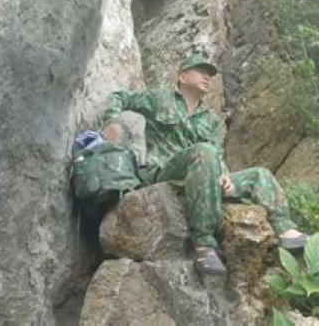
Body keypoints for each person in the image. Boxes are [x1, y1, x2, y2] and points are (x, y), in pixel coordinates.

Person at [100, 51, 307, 276]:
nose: (207, 77)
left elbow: (217, 153)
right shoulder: (159, 99)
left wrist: (224, 176)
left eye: (209, 74)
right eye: (200, 71)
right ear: (182, 77)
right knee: (203, 151)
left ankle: (286, 230)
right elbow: (120, 97)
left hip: (205, 174)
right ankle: (204, 244)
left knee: (260, 175)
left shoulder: (211, 120)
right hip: (168, 172)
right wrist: (112, 122)